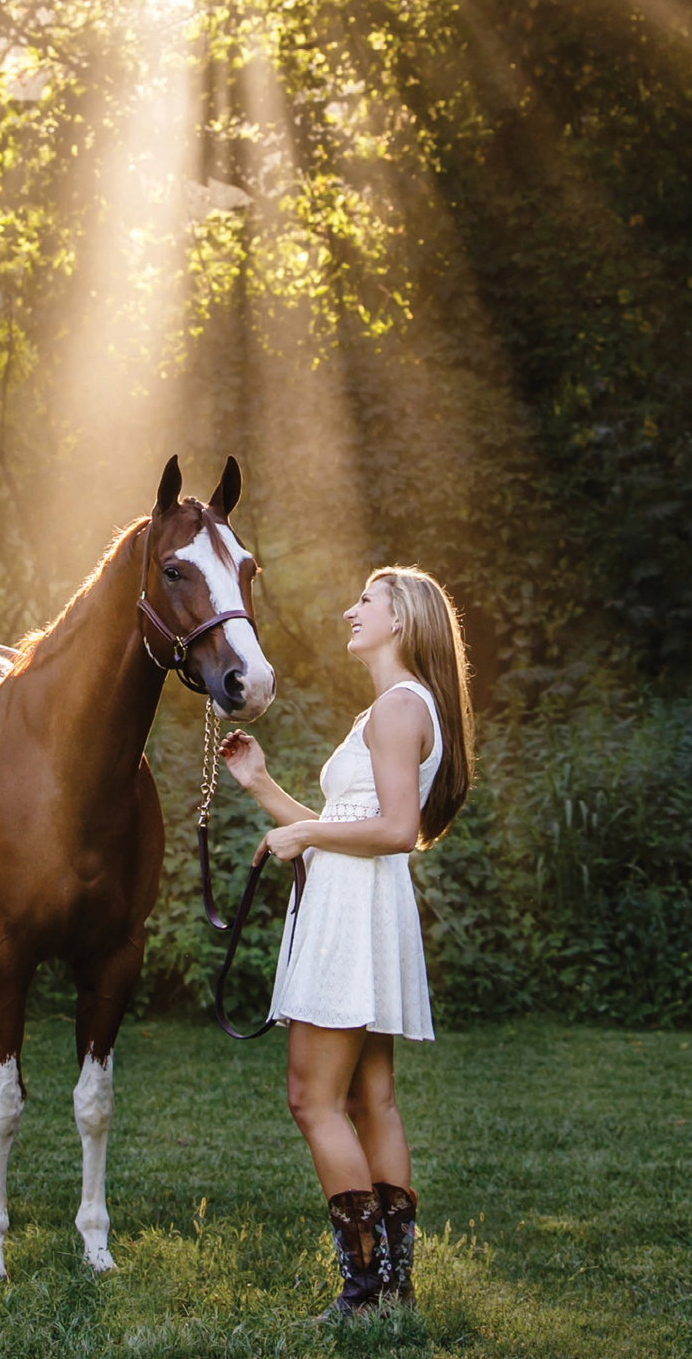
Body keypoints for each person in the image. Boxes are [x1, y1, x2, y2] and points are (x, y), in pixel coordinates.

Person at [218, 564, 475, 1319]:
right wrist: (266, 790)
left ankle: (364, 1291)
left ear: (401, 620)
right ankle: (393, 1291)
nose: (349, 610)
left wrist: (304, 830)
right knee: (372, 1099)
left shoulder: (398, 708)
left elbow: (398, 831)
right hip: (363, 900)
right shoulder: (396, 708)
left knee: (313, 1099)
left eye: (365, 600)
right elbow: (354, 827)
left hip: (355, 910)